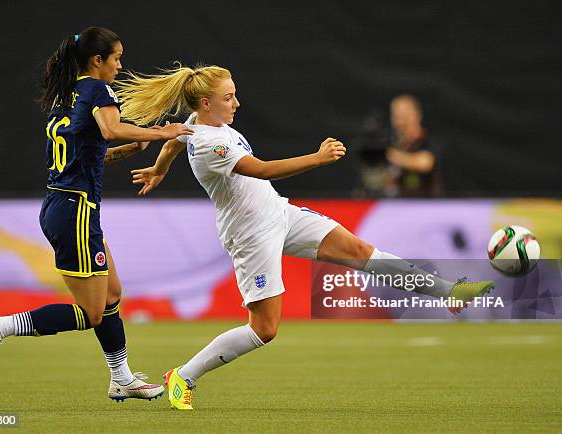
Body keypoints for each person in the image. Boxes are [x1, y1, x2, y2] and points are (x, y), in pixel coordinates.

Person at [117, 65, 493, 410]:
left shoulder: (196, 124)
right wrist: (316, 158)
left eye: (234, 93)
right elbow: (261, 170)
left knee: (359, 250)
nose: (237, 101)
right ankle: (183, 375)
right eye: (229, 96)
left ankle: (449, 293)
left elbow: (172, 141)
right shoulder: (210, 143)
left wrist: (159, 168)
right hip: (250, 234)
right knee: (264, 330)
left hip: (279, 212)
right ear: (205, 102)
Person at [0, 27, 193, 402]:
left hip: (67, 206)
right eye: (117, 58)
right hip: (74, 210)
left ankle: (121, 377)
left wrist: (132, 146)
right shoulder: (94, 89)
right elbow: (109, 129)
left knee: (112, 293)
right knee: (92, 312)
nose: (120, 66)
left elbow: (94, 152)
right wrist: (162, 133)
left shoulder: (66, 97)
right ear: (97, 61)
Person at [385, 94, 442, 197]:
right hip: (398, 205)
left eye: (404, 114)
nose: (400, 120)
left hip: (426, 205)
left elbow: (426, 163)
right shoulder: (395, 143)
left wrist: (397, 158)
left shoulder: (427, 139)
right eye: (396, 115)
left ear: (417, 115)